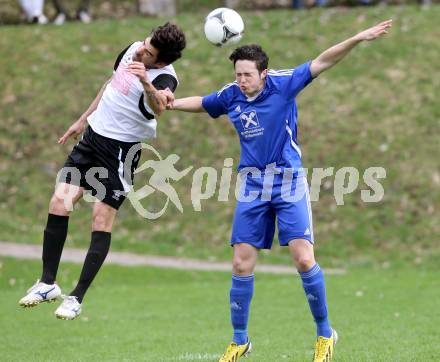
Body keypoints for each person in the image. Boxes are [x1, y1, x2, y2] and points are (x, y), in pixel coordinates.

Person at [164, 20, 392, 362]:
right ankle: (239, 340)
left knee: (303, 259)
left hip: (288, 182)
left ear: (264, 74)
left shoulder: (284, 84)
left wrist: (357, 37)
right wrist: (172, 103)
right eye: (238, 74)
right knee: (241, 265)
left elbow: (323, 61)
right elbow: (204, 102)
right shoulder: (231, 95)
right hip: (253, 186)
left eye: (247, 75)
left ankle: (325, 333)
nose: (241, 81)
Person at [18, 22, 186, 320]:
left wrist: (146, 82)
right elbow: (109, 85)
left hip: (119, 152)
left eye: (149, 51)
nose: (142, 49)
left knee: (100, 218)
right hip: (92, 138)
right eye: (145, 42)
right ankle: (47, 283)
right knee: (60, 202)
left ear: (160, 61)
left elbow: (160, 107)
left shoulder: (164, 78)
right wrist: (82, 119)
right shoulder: (134, 48)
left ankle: (76, 297)